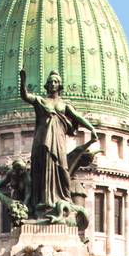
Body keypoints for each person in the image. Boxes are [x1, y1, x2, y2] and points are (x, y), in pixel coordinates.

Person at [18, 68, 100, 220]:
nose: (52, 84)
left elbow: (78, 117)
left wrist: (91, 128)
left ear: (59, 85)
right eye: (50, 82)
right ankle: (44, 202)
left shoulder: (64, 105)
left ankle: (63, 198)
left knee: (62, 169)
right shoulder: (41, 101)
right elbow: (25, 96)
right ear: (46, 85)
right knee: (43, 171)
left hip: (58, 142)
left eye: (55, 82)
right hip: (43, 142)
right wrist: (22, 81)